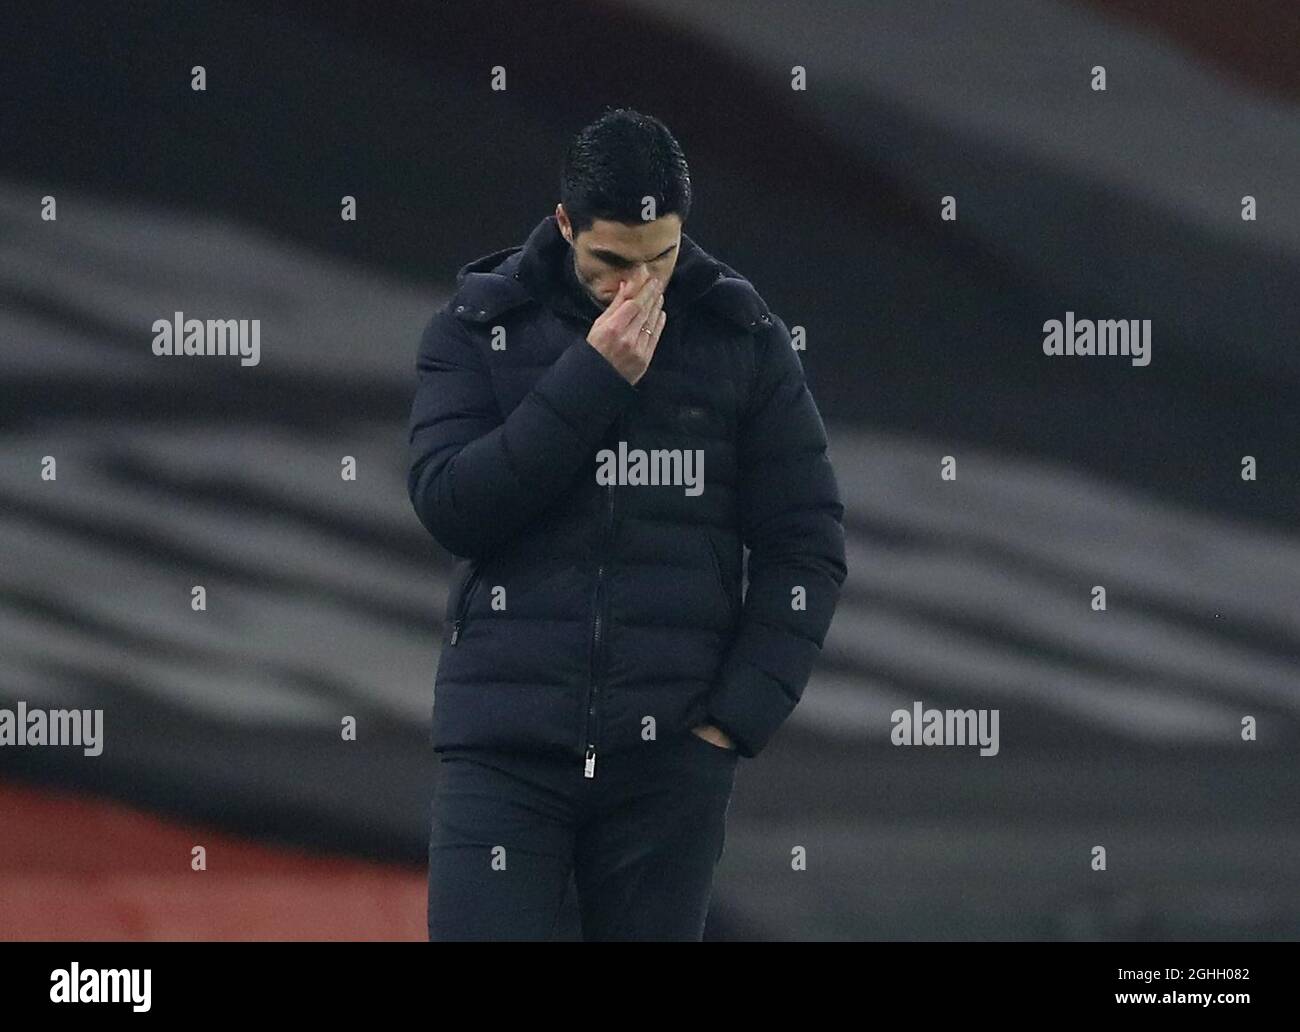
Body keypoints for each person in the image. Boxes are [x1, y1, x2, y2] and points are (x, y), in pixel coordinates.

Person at [407, 107, 846, 940]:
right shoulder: (478, 329)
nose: (635, 288)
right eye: (610, 263)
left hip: (668, 764)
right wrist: (593, 377)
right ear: (564, 223)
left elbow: (807, 543)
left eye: (660, 259)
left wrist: (732, 721)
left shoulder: (741, 339)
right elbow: (453, 508)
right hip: (506, 750)